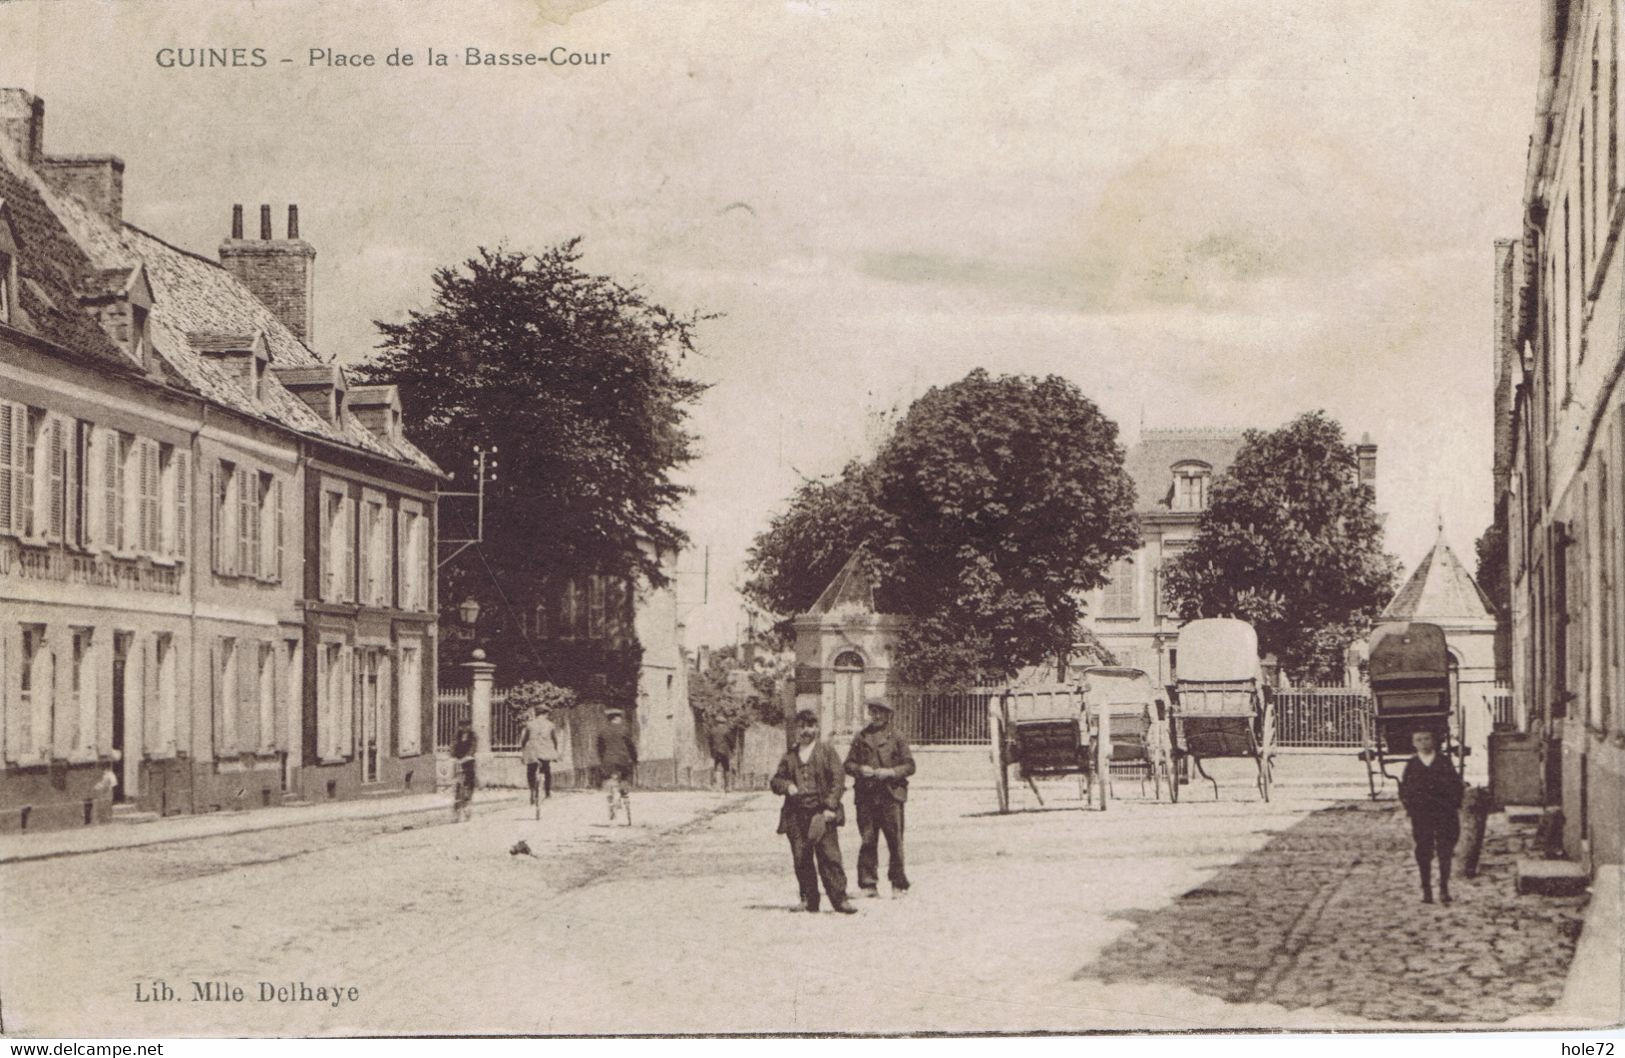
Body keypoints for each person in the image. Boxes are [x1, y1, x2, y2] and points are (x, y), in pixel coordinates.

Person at [770, 709, 857, 913]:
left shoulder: (827, 752)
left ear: (817, 728)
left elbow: (838, 780)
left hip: (821, 813)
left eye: (810, 726)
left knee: (830, 857)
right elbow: (776, 780)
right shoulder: (789, 756)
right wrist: (787, 786)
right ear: (795, 730)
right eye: (801, 727)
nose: (805, 731)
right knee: (801, 857)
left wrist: (830, 807)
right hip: (796, 814)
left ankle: (840, 899)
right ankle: (809, 900)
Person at [844, 699, 916, 898]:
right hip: (866, 796)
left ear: (888, 715)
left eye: (880, 712)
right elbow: (848, 764)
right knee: (868, 840)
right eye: (872, 712)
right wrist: (860, 769)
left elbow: (910, 766)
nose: (875, 716)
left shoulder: (897, 737)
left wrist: (891, 772)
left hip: (891, 796)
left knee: (895, 841)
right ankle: (868, 885)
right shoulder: (861, 736)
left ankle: (898, 884)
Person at [1399, 728, 1464, 904]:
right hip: (1422, 815)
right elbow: (1405, 790)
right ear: (1414, 743)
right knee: (1423, 850)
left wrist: (1452, 805)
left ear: (1434, 741)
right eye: (1419, 740)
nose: (1424, 743)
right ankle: (1426, 890)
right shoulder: (1412, 765)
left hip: (1444, 813)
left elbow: (1456, 786)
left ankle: (1444, 888)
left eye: (1427, 738)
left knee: (1445, 850)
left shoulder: (1444, 762)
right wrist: (1411, 808)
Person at [596, 708, 638, 823]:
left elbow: (600, 749)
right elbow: (631, 746)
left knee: (609, 781)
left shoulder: (603, 732)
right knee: (625, 778)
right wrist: (635, 759)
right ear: (617, 718)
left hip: (608, 762)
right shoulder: (624, 730)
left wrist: (602, 760)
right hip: (623, 761)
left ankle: (611, 804)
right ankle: (624, 794)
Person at [519, 705, 561, 805]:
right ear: (546, 714)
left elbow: (524, 740)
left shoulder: (529, 724)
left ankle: (532, 792)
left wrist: (523, 749)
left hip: (532, 752)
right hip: (545, 752)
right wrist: (555, 750)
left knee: (530, 770)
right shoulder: (550, 725)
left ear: (536, 714)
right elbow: (555, 740)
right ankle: (547, 793)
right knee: (547, 770)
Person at [450, 719, 478, 823]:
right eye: (462, 726)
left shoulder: (473, 736)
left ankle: (467, 805)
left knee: (468, 784)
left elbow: (473, 747)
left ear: (469, 726)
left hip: (468, 761)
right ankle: (456, 810)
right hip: (458, 761)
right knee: (458, 784)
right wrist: (452, 755)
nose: (464, 728)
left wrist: (468, 756)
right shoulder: (457, 735)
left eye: (466, 726)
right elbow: (453, 746)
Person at [708, 718, 736, 792]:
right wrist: (733, 749)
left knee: (716, 768)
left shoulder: (712, 730)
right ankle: (727, 787)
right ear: (724, 722)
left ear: (717, 722)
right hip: (725, 752)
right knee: (726, 768)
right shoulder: (727, 730)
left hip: (715, 752)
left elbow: (710, 741)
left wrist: (712, 750)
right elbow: (731, 741)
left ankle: (717, 786)